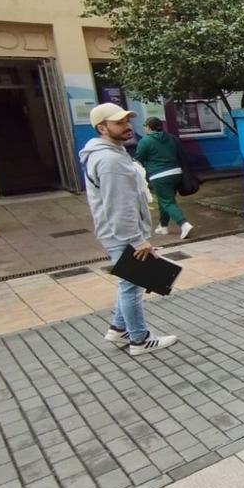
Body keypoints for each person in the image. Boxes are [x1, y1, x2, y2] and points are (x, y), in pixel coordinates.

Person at [79, 103, 178, 356]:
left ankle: (118, 328)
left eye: (127, 121)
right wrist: (137, 240)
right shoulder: (110, 159)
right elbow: (119, 205)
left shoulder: (111, 153)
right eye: (119, 122)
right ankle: (139, 339)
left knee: (129, 281)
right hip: (122, 234)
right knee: (132, 285)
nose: (127, 126)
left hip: (117, 232)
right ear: (102, 127)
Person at [134, 116, 193, 240]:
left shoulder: (145, 141)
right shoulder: (171, 137)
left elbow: (138, 158)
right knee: (165, 200)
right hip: (176, 173)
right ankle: (163, 226)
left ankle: (184, 224)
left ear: (149, 127)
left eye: (145, 125)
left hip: (159, 175)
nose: (144, 128)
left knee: (167, 201)